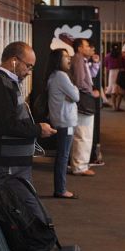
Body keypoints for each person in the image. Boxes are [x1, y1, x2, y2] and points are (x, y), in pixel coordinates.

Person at [0, 42, 57, 217]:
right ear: (14, 61)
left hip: (12, 164)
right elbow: (6, 125)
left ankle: (38, 243)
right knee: (29, 214)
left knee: (28, 211)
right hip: (5, 166)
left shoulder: (8, 83)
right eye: (28, 66)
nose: (29, 71)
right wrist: (38, 130)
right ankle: (38, 244)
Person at [46, 48, 80, 199]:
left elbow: (71, 97)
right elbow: (76, 96)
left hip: (60, 120)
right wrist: (74, 90)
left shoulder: (54, 75)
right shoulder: (61, 76)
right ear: (57, 60)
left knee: (62, 155)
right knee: (63, 156)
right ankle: (60, 189)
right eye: (65, 56)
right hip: (66, 121)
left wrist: (71, 95)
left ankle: (60, 188)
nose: (69, 59)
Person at [69, 38, 100, 176]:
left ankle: (80, 164)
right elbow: (80, 82)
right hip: (83, 99)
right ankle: (80, 166)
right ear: (80, 48)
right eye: (87, 46)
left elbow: (89, 76)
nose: (89, 48)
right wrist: (91, 92)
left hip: (83, 99)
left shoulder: (81, 60)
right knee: (83, 134)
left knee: (83, 133)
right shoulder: (78, 60)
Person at [105, 43, 125, 111]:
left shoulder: (107, 56)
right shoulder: (121, 56)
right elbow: (124, 65)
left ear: (110, 48)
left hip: (112, 73)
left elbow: (106, 65)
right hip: (120, 72)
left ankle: (114, 106)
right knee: (120, 89)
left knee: (113, 90)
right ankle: (118, 106)